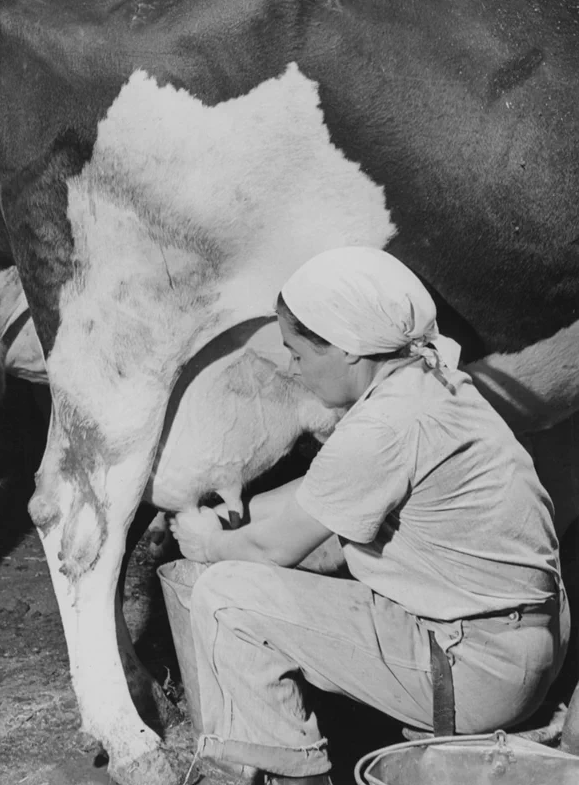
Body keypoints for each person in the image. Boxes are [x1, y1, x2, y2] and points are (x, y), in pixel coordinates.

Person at [170, 246, 569, 785]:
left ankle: (295, 776)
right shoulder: (431, 380)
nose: (291, 368)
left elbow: (273, 549)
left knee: (225, 599)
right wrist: (242, 510)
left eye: (299, 353)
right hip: (518, 645)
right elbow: (327, 488)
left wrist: (205, 543)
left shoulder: (382, 428)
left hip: (474, 669)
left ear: (349, 349)